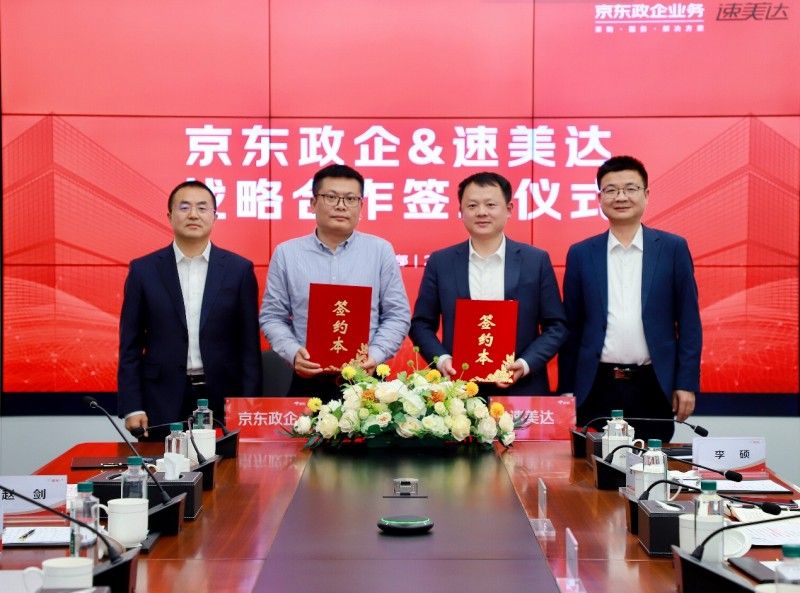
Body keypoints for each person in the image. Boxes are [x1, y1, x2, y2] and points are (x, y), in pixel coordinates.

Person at [558, 155, 702, 442]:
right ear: (599, 198)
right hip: (596, 384)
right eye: (611, 190)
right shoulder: (581, 253)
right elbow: (571, 327)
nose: (621, 197)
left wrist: (685, 383)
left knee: (652, 461)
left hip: (653, 384)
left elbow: (688, 322)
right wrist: (566, 390)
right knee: (592, 465)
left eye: (630, 189)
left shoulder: (672, 248)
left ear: (646, 194)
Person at [118, 180, 262, 439]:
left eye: (202, 208)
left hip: (222, 396)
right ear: (170, 216)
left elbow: (249, 347)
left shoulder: (239, 270)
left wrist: (249, 404)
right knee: (163, 464)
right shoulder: (143, 270)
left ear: (215, 216)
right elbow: (130, 345)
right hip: (160, 397)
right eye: (184, 207)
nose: (193, 214)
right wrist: (132, 406)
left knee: (226, 465)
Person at [259, 164, 410, 401]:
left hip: (366, 380)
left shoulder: (380, 251)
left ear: (361, 206)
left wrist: (375, 355)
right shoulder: (287, 253)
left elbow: (397, 314)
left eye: (350, 199)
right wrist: (293, 353)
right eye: (331, 197)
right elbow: (272, 316)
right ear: (313, 203)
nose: (341, 205)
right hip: (308, 379)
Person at [409, 172, 567, 396]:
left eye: (491, 204)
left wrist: (525, 363)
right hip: (458, 392)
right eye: (472, 205)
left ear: (509, 209)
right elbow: (421, 324)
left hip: (522, 391)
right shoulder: (441, 262)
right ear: (461, 211)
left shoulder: (535, 260)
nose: (481, 212)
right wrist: (443, 360)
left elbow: (556, 326)